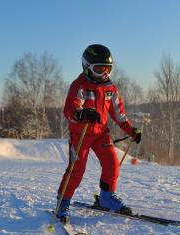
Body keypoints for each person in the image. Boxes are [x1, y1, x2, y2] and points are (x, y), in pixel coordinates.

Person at [56, 44, 141, 223]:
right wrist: (82, 114)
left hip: (100, 133)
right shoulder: (79, 85)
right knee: (77, 170)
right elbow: (70, 110)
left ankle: (106, 197)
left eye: (108, 69)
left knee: (112, 164)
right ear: (87, 67)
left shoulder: (110, 88)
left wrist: (131, 131)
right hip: (81, 134)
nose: (105, 74)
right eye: (100, 69)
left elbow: (119, 114)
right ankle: (62, 203)